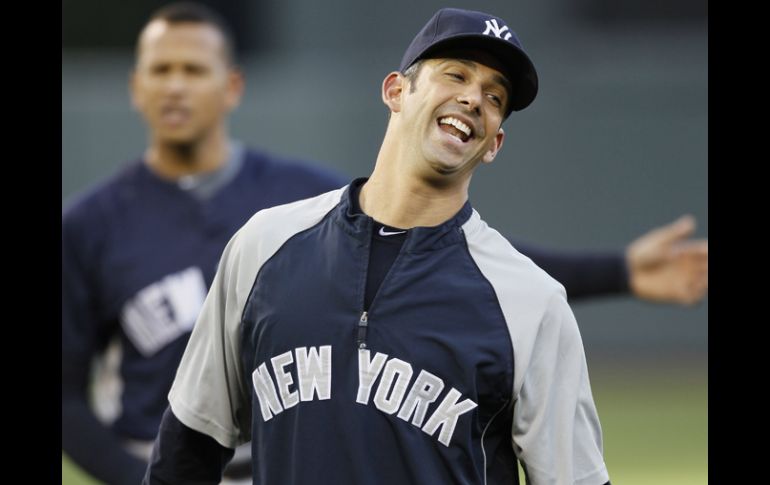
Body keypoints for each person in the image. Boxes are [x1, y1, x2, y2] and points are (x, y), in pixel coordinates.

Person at [62, 3, 706, 485]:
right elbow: (189, 448)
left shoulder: (531, 302)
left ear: (495, 142)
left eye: (495, 96)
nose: (473, 99)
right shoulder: (265, 245)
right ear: (396, 92)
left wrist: (619, 270)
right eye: (455, 74)